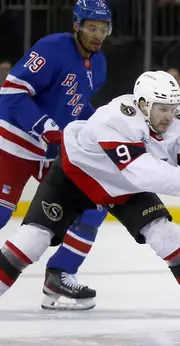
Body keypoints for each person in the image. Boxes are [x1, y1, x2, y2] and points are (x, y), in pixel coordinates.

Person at [0, 70, 180, 339]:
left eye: (174, 108)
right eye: (162, 108)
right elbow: (140, 170)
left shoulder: (178, 123)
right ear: (143, 105)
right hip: (76, 176)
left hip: (123, 188)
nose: (169, 116)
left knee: (166, 234)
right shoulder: (116, 117)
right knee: (32, 240)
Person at [0, 0, 112, 310]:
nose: (98, 35)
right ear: (76, 25)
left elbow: (76, 107)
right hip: (15, 142)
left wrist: (100, 124)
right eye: (92, 27)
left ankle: (59, 276)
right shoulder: (52, 47)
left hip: (50, 151)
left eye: (103, 28)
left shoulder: (99, 64)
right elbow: (11, 91)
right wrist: (44, 125)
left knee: (93, 204)